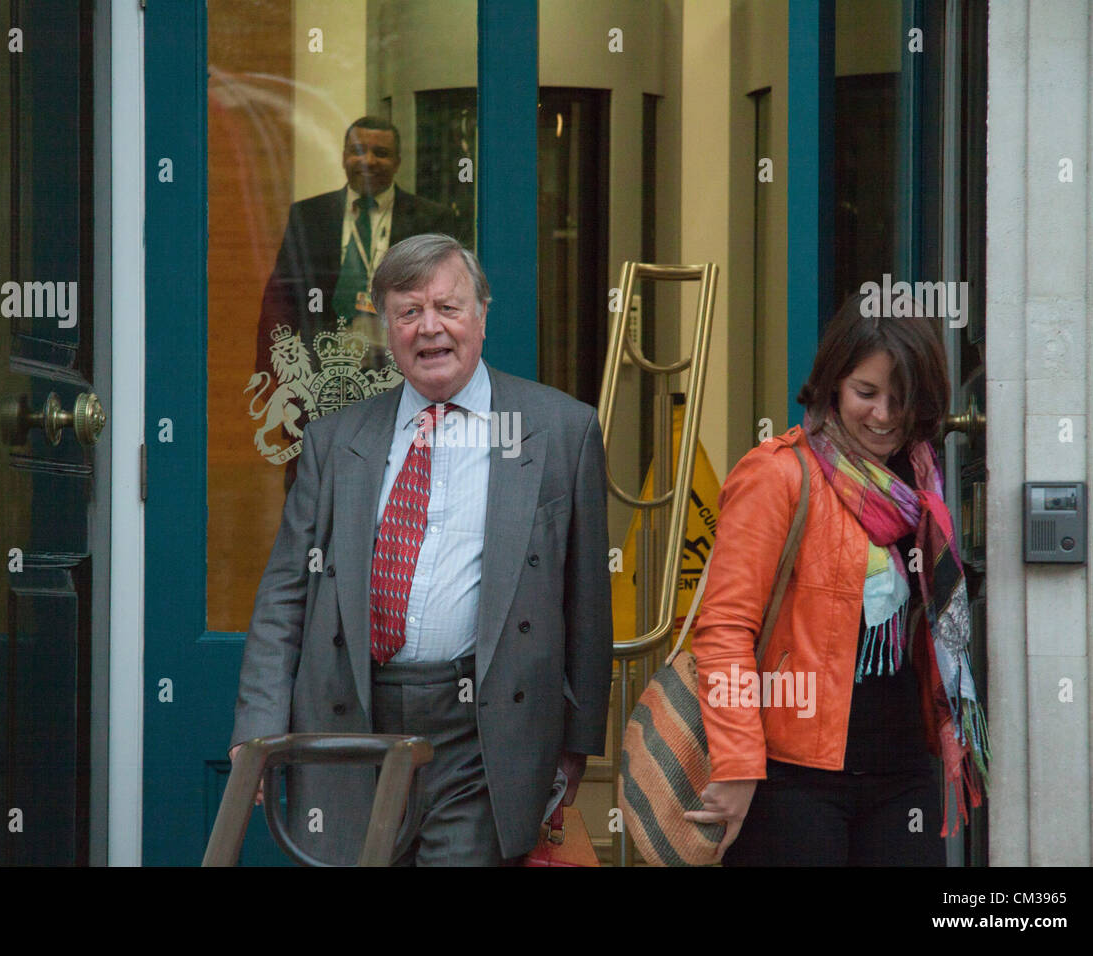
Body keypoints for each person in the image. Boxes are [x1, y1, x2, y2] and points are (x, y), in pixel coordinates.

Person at [230, 233, 613, 866]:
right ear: (387, 329)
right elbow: (285, 596)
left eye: (447, 307)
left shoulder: (560, 431)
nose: (428, 327)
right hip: (350, 721)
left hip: (481, 734)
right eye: (408, 312)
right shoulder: (334, 440)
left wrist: (575, 743)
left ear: (482, 317)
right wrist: (257, 730)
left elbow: (587, 604)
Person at [683, 293, 990, 866]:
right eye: (866, 393)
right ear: (832, 386)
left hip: (902, 772)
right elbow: (723, 629)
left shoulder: (922, 484)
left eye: (900, 399)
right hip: (791, 779)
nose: (883, 415)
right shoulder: (777, 475)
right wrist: (736, 765)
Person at [254, 115, 458, 385]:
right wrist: (271, 373)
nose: (369, 161)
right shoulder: (308, 215)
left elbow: (449, 301)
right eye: (358, 151)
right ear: (343, 157)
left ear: (397, 162)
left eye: (381, 154)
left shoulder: (431, 220)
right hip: (321, 375)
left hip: (404, 374)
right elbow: (280, 301)